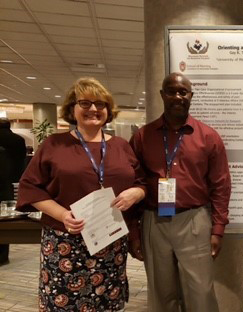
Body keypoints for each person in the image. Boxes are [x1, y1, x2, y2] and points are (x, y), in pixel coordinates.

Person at [17, 77, 146, 311]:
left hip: (111, 240)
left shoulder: (121, 146)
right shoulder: (54, 144)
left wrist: (136, 193)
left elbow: (141, 181)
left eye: (100, 103)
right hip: (66, 240)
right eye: (85, 103)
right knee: (64, 303)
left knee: (107, 302)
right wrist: (63, 214)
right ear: (72, 109)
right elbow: (30, 187)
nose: (94, 109)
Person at [130, 72, 231, 312]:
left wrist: (218, 229)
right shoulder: (143, 136)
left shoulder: (208, 137)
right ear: (162, 95)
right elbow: (134, 183)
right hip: (154, 221)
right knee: (160, 292)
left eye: (183, 91)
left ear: (191, 96)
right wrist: (134, 232)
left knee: (201, 292)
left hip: (194, 220)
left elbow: (221, 185)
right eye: (172, 91)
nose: (177, 96)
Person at [0, 118, 26, 265]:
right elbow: (21, 158)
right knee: (5, 216)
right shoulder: (18, 140)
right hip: (9, 181)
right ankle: (3, 254)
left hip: (2, 180)